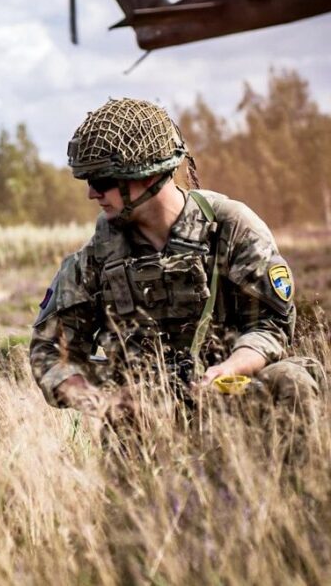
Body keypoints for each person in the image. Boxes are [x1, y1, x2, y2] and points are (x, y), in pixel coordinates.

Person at [29, 98, 322, 437]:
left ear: (149, 175)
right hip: (146, 418)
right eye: (87, 181)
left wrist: (229, 369)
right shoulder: (97, 256)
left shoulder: (230, 228)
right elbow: (49, 351)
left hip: (231, 395)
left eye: (102, 180)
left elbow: (270, 326)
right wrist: (103, 403)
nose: (92, 194)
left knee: (291, 380)